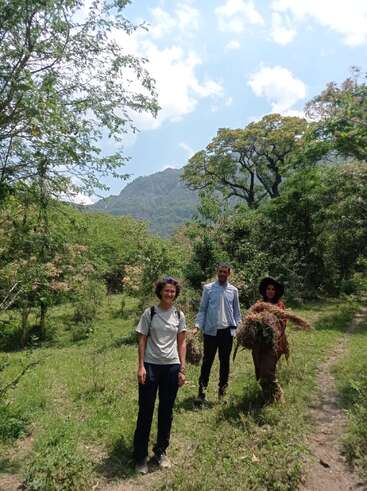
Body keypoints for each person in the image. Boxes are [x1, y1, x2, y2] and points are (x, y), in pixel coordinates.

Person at [133, 277, 187, 474]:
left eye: (173, 291)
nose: (169, 294)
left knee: (166, 410)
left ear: (176, 293)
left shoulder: (179, 315)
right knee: (145, 410)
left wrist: (182, 369)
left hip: (171, 367)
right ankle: (140, 456)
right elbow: (141, 340)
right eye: (166, 291)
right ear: (160, 292)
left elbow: (182, 342)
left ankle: (161, 451)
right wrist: (141, 367)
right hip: (151, 366)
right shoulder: (150, 313)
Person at [192, 264, 241, 402]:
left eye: (225, 272)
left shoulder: (233, 291)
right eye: (220, 271)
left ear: (229, 273)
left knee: (225, 363)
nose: (222, 274)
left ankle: (222, 393)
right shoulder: (208, 289)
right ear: (216, 272)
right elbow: (202, 310)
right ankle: (201, 394)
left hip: (227, 332)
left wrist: (239, 328)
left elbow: (237, 313)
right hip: (210, 332)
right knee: (207, 362)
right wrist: (197, 326)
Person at [252, 277, 288, 403]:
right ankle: (267, 396)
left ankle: (279, 396)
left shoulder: (279, 305)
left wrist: (272, 326)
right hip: (259, 344)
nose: (270, 291)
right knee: (260, 369)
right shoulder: (259, 305)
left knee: (268, 369)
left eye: (273, 289)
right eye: (268, 289)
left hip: (274, 344)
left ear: (276, 291)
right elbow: (251, 319)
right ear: (265, 290)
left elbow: (283, 323)